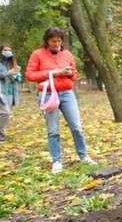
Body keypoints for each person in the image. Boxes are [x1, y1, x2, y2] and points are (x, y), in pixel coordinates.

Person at [25, 27, 95, 173]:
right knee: (53, 129)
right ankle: (57, 161)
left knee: (76, 126)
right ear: (47, 41)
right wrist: (52, 73)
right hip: (49, 94)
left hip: (67, 93)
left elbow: (75, 74)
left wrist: (70, 74)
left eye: (58, 41)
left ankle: (84, 156)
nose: (56, 44)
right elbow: (30, 75)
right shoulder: (37, 54)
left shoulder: (67, 54)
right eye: (53, 41)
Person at [0, 43, 22, 142]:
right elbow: (3, 75)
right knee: (5, 113)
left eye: (9, 50)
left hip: (10, 91)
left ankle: (1, 133)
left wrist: (17, 75)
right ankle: (0, 132)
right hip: (1, 91)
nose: (8, 52)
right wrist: (7, 73)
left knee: (5, 113)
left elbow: (18, 77)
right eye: (5, 50)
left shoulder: (11, 63)